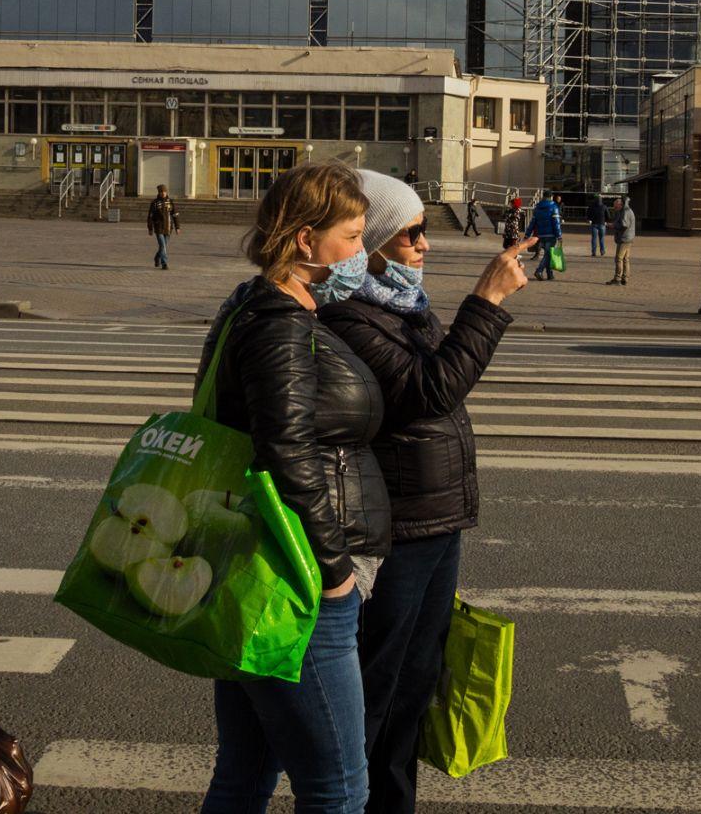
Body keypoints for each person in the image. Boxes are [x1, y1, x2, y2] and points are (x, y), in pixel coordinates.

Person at [320, 171, 532, 814]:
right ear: (377, 241)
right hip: (399, 525)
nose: (424, 245)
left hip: (438, 517)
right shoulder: (351, 316)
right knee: (379, 687)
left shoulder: (403, 302)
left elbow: (443, 383)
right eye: (412, 233)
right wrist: (487, 302)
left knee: (415, 685)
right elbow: (430, 391)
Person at [199, 161, 391, 814]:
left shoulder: (256, 307)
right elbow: (287, 454)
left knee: (246, 774)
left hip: (261, 570)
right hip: (298, 586)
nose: (362, 253)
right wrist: (335, 573)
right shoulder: (280, 322)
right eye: (352, 236)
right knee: (339, 789)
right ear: (305, 240)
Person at [528, 191, 563, 281]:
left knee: (548, 254)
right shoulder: (553, 207)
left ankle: (549, 274)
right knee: (548, 254)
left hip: (541, 234)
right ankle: (539, 270)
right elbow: (556, 223)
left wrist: (527, 234)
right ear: (551, 197)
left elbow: (533, 222)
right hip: (551, 234)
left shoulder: (538, 207)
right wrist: (559, 235)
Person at [147, 183, 180, 269]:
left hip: (168, 227)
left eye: (164, 191)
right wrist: (150, 228)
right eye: (161, 192)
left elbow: (175, 215)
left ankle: (157, 257)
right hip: (159, 228)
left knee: (163, 246)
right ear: (159, 192)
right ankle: (164, 263)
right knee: (162, 246)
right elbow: (150, 217)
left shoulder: (170, 202)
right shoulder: (155, 203)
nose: (163, 193)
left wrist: (177, 227)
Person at [607, 196, 636, 286]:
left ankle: (618, 278)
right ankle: (625, 278)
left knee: (619, 258)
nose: (615, 209)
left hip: (624, 238)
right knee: (625, 259)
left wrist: (613, 225)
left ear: (620, 205)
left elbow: (624, 224)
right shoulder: (627, 210)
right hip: (629, 238)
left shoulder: (625, 211)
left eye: (615, 207)